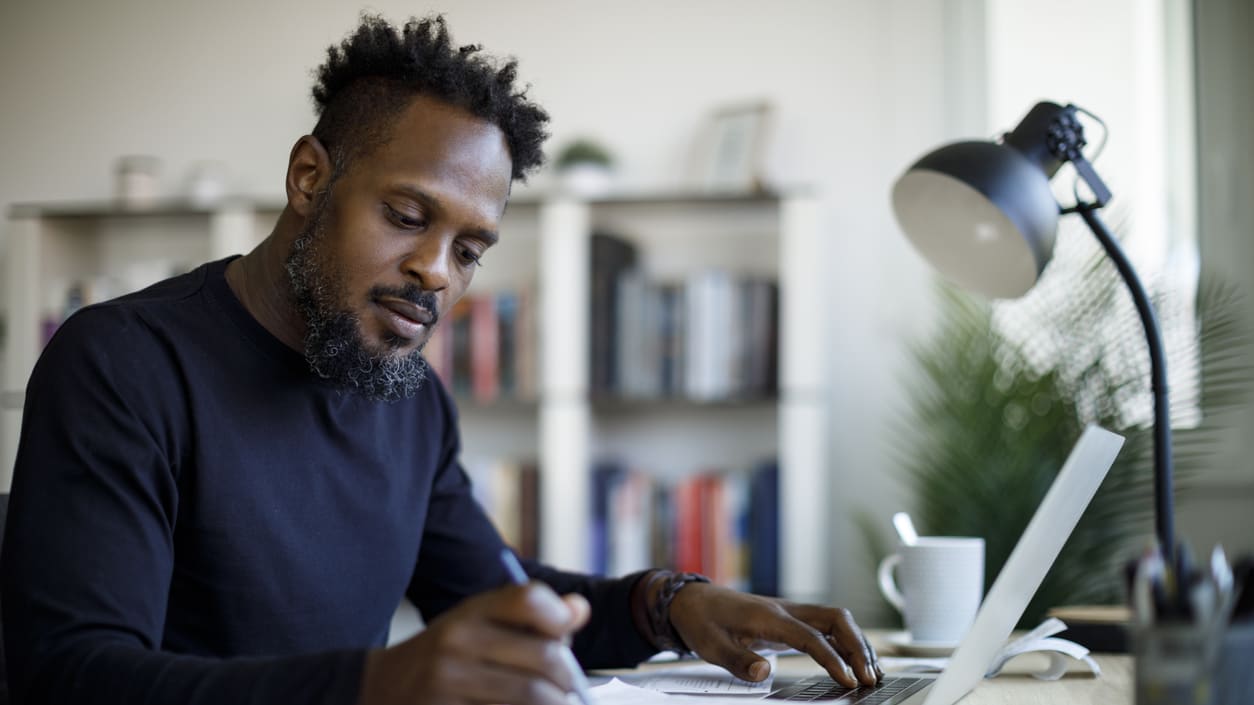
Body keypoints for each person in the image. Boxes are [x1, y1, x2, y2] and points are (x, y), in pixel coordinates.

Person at [0, 14, 881, 705]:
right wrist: (375, 686)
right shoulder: (121, 364)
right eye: (409, 216)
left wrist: (669, 603)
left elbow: (493, 596)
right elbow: (73, 677)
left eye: (470, 250)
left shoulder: (411, 399)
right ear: (310, 177)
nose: (435, 270)